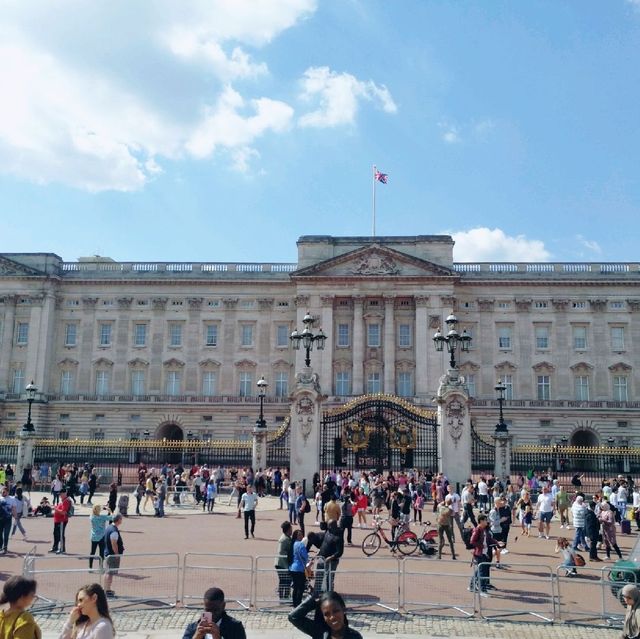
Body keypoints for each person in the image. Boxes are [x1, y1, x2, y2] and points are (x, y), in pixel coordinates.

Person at [288, 591, 362, 639]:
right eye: (327, 614)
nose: (332, 617)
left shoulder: (355, 636)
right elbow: (293, 617)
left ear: (344, 610)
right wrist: (312, 599)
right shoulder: (319, 631)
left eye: (336, 611)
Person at [182, 586, 246, 639]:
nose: (212, 614)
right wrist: (197, 636)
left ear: (223, 606)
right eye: (208, 610)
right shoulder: (193, 627)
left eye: (215, 610)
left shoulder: (235, 627)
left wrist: (217, 636)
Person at [469, 514, 497, 596]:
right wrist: (481, 546)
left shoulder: (484, 529)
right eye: (485, 520)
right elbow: (472, 541)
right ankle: (482, 589)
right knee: (482, 571)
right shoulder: (477, 529)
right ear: (481, 521)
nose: (487, 521)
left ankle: (471, 586)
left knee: (479, 570)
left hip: (484, 552)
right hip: (479, 553)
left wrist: (496, 542)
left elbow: (488, 539)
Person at [317, 520, 343, 592]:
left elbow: (340, 552)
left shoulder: (338, 537)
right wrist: (320, 551)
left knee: (329, 578)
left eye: (328, 525)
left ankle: (329, 593)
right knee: (319, 576)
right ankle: (316, 592)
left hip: (331, 562)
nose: (327, 526)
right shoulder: (328, 531)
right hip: (322, 558)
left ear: (331, 526)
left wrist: (331, 557)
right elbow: (324, 542)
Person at [103, 514, 124, 598]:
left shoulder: (109, 527)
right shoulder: (114, 531)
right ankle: (107, 590)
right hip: (111, 554)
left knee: (108, 572)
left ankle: (107, 589)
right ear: (118, 520)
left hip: (108, 553)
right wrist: (117, 554)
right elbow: (114, 544)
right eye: (121, 519)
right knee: (110, 573)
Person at [50, 488, 72, 554]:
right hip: (57, 520)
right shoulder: (62, 500)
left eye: (61, 494)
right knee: (55, 534)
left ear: (65, 493)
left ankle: (62, 549)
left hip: (62, 520)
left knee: (61, 534)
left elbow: (64, 512)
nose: (60, 495)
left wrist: (56, 509)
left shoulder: (66, 501)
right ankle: (55, 547)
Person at [275, 521, 293, 602]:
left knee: (286, 580)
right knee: (284, 580)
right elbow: (281, 553)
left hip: (283, 563)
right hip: (281, 564)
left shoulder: (287, 538)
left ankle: (285, 597)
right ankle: (283, 597)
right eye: (291, 528)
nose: (292, 530)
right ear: (288, 529)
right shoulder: (284, 539)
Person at [289, 529, 308, 607]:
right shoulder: (301, 544)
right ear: (296, 536)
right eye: (300, 535)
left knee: (295, 587)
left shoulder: (292, 544)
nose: (301, 536)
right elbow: (305, 556)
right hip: (300, 568)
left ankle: (294, 605)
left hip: (292, 568)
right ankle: (298, 605)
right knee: (301, 588)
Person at [89, 504, 112, 569]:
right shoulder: (102, 517)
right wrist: (109, 510)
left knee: (92, 552)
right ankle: (100, 567)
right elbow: (112, 517)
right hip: (101, 537)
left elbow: (95, 512)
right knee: (101, 553)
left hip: (94, 537)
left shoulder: (91, 517)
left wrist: (100, 509)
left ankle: (90, 567)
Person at [436, 496, 456, 560]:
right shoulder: (450, 510)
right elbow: (453, 514)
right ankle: (453, 555)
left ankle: (439, 555)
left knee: (440, 540)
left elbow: (439, 504)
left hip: (440, 525)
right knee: (450, 541)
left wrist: (444, 502)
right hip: (447, 525)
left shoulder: (440, 507)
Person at [0, 486, 14, 554]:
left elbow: (13, 509)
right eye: (2, 491)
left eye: (4, 492)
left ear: (8, 492)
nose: (2, 492)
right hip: (0, 519)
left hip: (8, 519)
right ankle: (0, 547)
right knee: (0, 534)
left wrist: (16, 518)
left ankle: (5, 548)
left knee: (6, 534)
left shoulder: (12, 499)